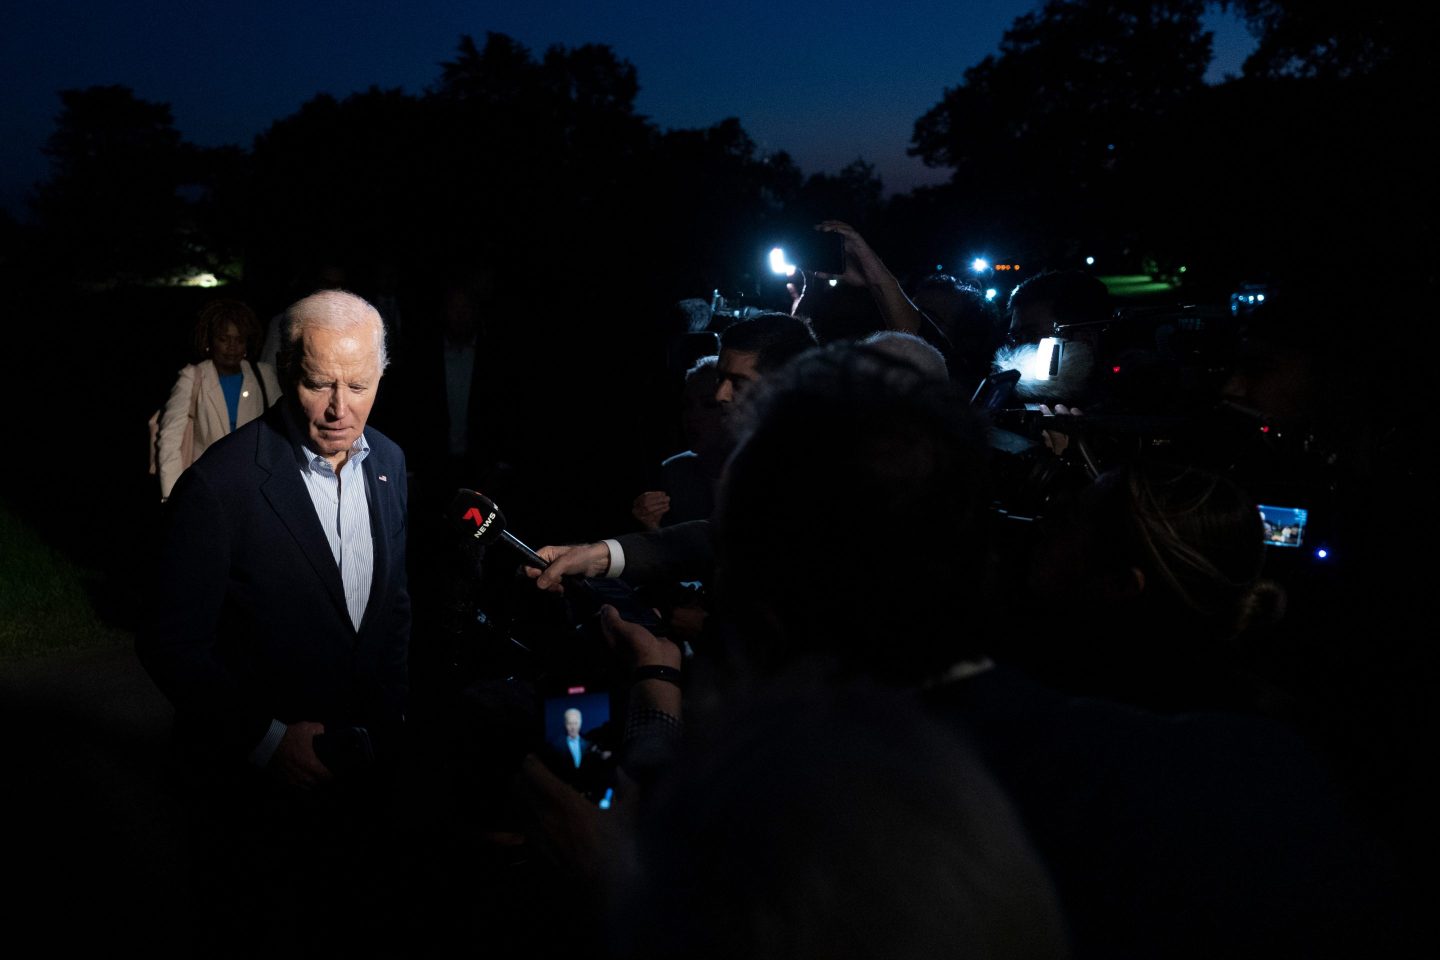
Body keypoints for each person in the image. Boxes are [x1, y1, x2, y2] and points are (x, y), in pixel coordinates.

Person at [138, 289, 410, 950]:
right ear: (287, 371)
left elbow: (392, 607)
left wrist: (393, 725)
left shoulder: (391, 463)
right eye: (319, 384)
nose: (340, 408)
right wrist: (264, 738)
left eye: (359, 385)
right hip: (251, 802)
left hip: (360, 784)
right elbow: (170, 642)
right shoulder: (220, 485)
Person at [155, 299, 281, 500]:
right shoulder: (192, 377)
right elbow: (170, 438)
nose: (232, 347)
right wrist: (172, 495)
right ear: (210, 341)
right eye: (224, 339)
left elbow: (279, 431)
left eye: (239, 340)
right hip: (206, 487)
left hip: (254, 487)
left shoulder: (263, 375)